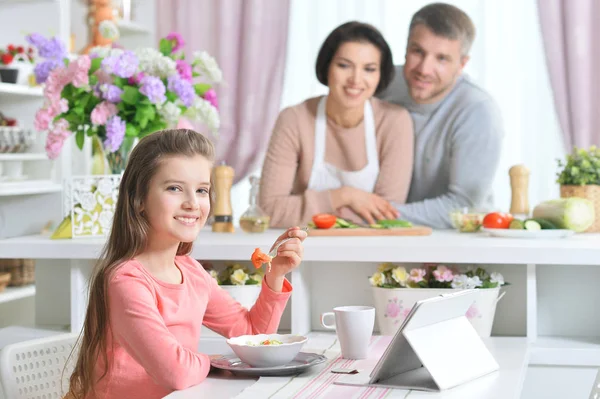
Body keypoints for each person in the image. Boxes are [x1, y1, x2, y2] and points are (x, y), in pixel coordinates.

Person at [66, 129, 307, 399]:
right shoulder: (126, 281)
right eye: (174, 188)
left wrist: (275, 275)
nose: (193, 203)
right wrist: (217, 362)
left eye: (202, 190)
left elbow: (253, 335)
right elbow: (176, 372)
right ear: (139, 199)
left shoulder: (190, 271)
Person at [259, 21, 414, 227]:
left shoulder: (395, 122)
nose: (356, 79)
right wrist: (345, 196)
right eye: (344, 65)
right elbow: (269, 211)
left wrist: (303, 210)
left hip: (373, 251)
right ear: (327, 67)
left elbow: (387, 213)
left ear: (380, 75)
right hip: (300, 250)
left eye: (369, 69)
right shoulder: (294, 119)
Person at [378, 3, 504, 228]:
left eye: (442, 59)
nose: (424, 69)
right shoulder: (381, 85)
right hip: (385, 233)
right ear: (406, 48)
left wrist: (376, 214)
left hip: (452, 239)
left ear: (462, 64)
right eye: (418, 51)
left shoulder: (477, 111)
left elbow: (464, 205)